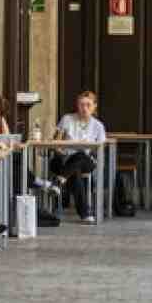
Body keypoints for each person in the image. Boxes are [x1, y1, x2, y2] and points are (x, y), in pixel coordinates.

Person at [52, 89, 106, 223]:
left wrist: (86, 147)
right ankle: (85, 213)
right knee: (74, 171)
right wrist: (60, 148)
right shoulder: (67, 119)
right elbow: (55, 141)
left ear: (94, 106)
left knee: (81, 154)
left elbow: (100, 148)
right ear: (77, 105)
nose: (84, 108)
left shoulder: (98, 126)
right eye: (81, 104)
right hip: (66, 159)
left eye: (88, 105)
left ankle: (59, 180)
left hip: (86, 161)